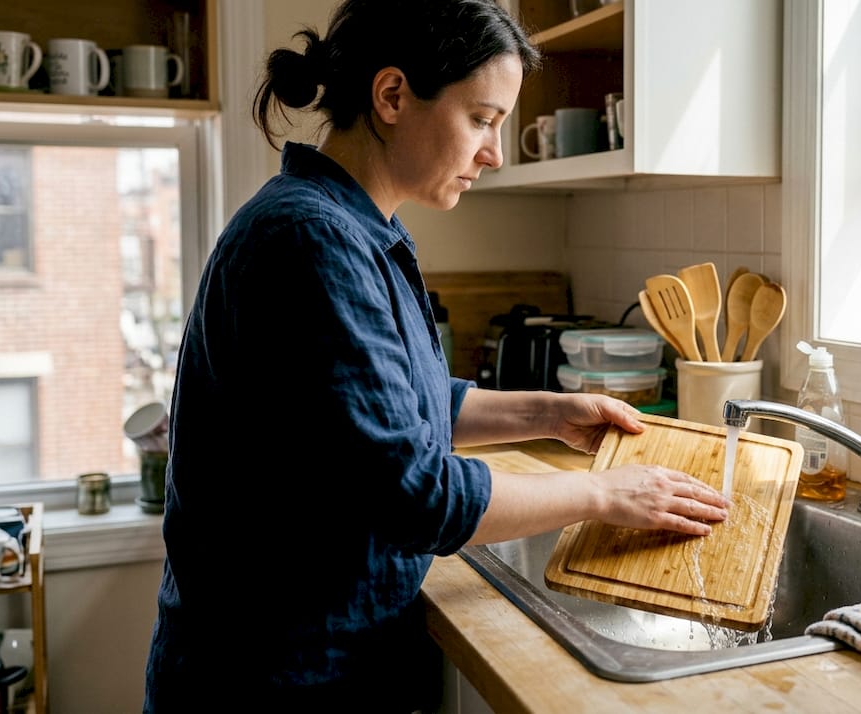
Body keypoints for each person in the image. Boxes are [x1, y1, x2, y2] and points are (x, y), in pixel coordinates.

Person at [141, 1, 731, 711]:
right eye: (482, 119)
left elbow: (400, 408)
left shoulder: (358, 228)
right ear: (392, 96)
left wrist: (551, 412)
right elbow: (414, 492)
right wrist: (604, 494)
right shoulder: (310, 240)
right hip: (274, 679)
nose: (496, 153)